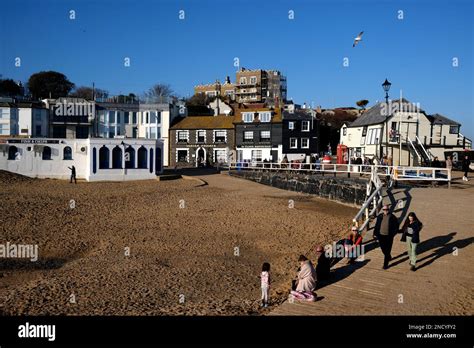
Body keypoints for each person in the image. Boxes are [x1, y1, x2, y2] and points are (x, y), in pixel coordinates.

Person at [374, 205, 399, 269]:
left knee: (387, 250)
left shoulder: (392, 217)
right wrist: (375, 233)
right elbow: (377, 225)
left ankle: (385, 264)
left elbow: (396, 226)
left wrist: (393, 234)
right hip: (380, 235)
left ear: (388, 210)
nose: (385, 211)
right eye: (384, 210)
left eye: (386, 209)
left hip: (389, 236)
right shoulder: (380, 216)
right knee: (383, 248)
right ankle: (388, 256)